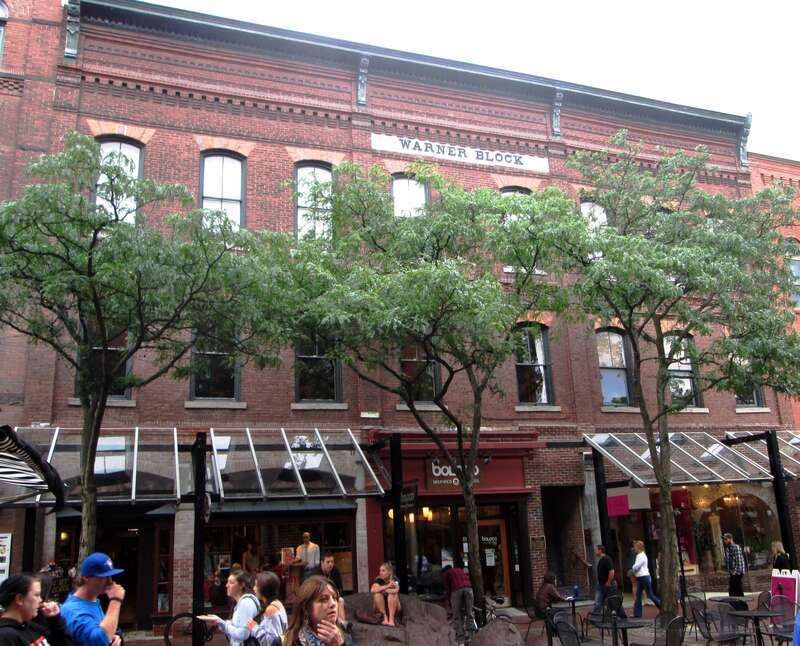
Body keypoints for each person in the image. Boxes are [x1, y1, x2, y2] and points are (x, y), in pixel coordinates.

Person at [61, 551, 126, 646]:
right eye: (103, 577)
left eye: (110, 576)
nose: (109, 581)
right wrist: (115, 600)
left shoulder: (93, 600)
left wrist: (114, 636)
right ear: (86, 577)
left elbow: (102, 629)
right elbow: (98, 641)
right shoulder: (73, 610)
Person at [0, 573, 72, 645]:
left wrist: (55, 620)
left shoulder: (31, 626)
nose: (40, 600)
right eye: (37, 595)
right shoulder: (5, 637)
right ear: (19, 599)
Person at [282, 575, 353, 646]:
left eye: (335, 598)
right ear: (306, 608)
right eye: (324, 599)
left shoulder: (346, 639)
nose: (333, 604)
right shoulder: (287, 642)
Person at [198, 569, 261, 646]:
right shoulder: (242, 602)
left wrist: (223, 623)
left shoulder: (246, 603)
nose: (226, 585)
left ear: (241, 585)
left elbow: (243, 634)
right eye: (227, 582)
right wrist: (219, 622)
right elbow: (239, 627)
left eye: (231, 583)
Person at [247, 572, 287, 646]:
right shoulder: (277, 603)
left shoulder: (271, 609)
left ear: (264, 589)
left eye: (256, 585)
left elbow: (271, 642)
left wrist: (255, 628)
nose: (254, 588)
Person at [442, 562, 476, 646]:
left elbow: (448, 589)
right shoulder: (460, 570)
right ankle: (472, 638)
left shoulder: (446, 573)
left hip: (457, 590)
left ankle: (461, 641)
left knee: (456, 616)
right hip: (469, 589)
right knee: (469, 613)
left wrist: (450, 602)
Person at [308, 552, 346, 621]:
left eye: (332, 562)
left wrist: (336, 595)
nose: (330, 564)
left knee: (340, 600)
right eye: (328, 562)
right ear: (322, 563)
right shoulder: (315, 573)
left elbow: (340, 588)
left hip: (332, 597)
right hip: (318, 598)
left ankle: (342, 624)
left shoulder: (335, 571)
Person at [593, 545, 625, 618]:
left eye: (596, 550)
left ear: (600, 550)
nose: (595, 551)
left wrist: (608, 581)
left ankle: (623, 617)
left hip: (608, 585)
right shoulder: (601, 560)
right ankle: (595, 617)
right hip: (600, 585)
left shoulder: (607, 559)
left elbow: (612, 571)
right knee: (597, 602)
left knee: (614, 602)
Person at [631, 540, 660, 618]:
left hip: (643, 577)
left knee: (650, 594)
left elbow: (636, 566)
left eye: (635, 547)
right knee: (638, 595)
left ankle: (661, 606)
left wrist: (633, 568)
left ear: (638, 547)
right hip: (641, 577)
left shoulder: (641, 556)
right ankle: (637, 613)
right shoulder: (640, 555)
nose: (634, 548)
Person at [370, 562, 401, 627]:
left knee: (393, 594)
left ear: (389, 572)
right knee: (377, 594)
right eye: (380, 570)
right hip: (380, 608)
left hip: (394, 607)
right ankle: (385, 618)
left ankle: (391, 620)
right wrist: (387, 586)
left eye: (383, 571)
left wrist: (382, 589)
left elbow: (396, 590)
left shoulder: (394, 579)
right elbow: (372, 590)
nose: (380, 572)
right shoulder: (379, 579)